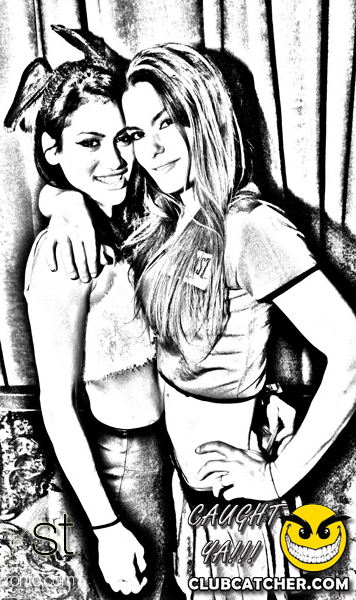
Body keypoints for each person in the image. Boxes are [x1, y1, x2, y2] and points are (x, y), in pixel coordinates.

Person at [39, 43, 356, 597]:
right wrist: (60, 201)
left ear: (206, 117)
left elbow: (353, 350)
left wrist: (277, 476)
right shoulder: (166, 214)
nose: (151, 150)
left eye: (169, 122)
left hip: (234, 505)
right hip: (183, 490)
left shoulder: (249, 225)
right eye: (136, 133)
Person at [5, 28, 182, 600]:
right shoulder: (63, 255)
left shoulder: (130, 220)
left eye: (123, 138)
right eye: (89, 143)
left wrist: (64, 198)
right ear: (52, 150)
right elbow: (56, 406)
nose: (116, 160)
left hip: (168, 452)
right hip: (121, 466)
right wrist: (107, 529)